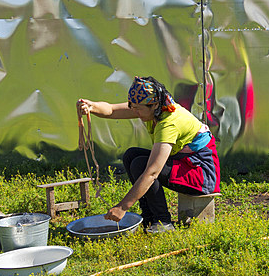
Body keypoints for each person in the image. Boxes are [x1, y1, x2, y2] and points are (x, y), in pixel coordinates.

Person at [77, 76, 220, 233]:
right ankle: (149, 217)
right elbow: (111, 110)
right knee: (131, 155)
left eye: (138, 108)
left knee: (142, 165)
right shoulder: (152, 108)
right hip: (183, 162)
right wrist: (91, 106)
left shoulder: (169, 122)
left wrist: (122, 207)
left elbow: (152, 173)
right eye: (133, 107)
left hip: (202, 174)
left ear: (155, 105)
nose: (134, 112)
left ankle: (162, 222)